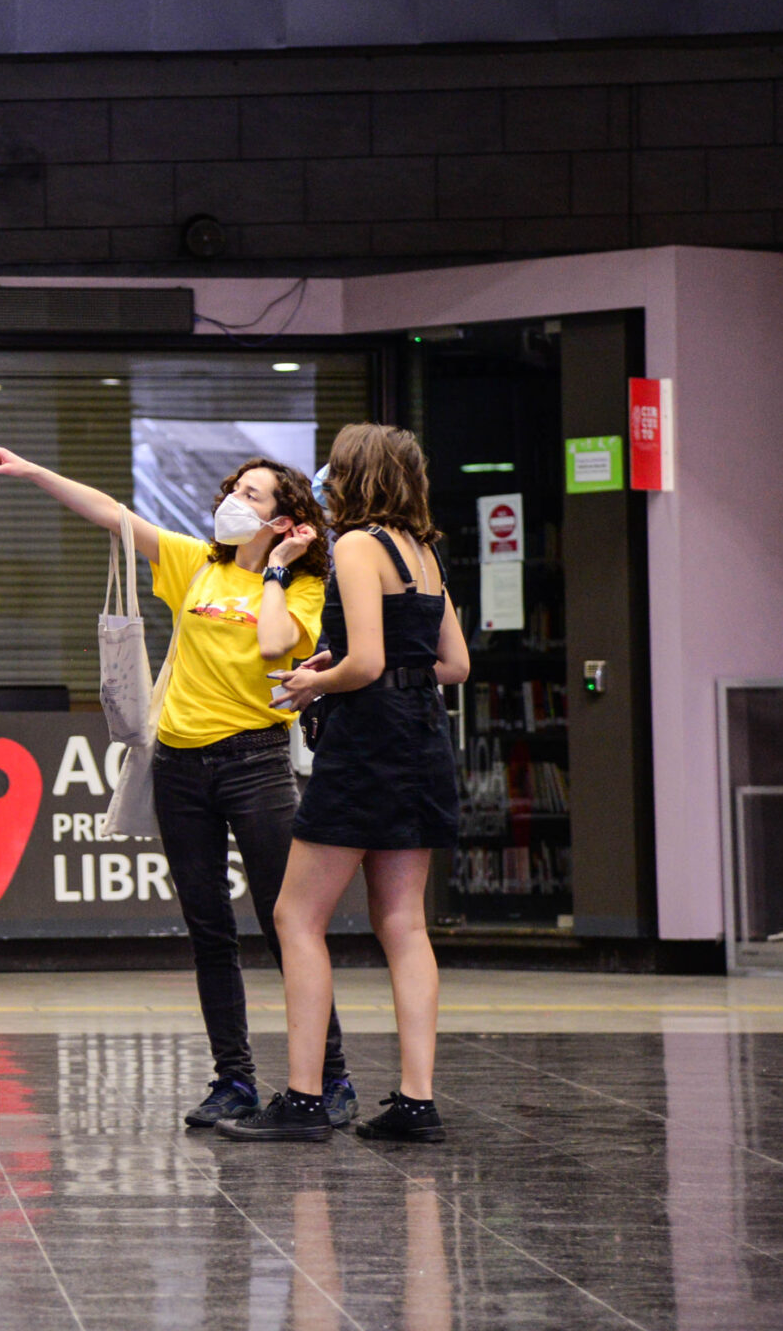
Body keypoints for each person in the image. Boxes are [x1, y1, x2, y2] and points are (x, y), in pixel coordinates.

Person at [0, 444, 356, 1129]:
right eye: (234, 489)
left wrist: (274, 570)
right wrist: (35, 472)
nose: (234, 502)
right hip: (182, 769)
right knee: (207, 929)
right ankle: (233, 1080)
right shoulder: (194, 565)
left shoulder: (302, 588)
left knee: (288, 926)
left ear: (286, 520)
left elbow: (277, 646)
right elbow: (114, 517)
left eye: (255, 495)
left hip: (256, 765)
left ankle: (330, 1078)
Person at [220, 423, 470, 1144]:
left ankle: (303, 1097)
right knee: (404, 923)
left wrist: (313, 682)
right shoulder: (423, 553)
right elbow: (453, 665)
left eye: (335, 466)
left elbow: (361, 663)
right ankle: (416, 1103)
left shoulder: (360, 547)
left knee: (298, 918)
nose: (325, 477)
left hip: (366, 744)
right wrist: (380, 666)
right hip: (421, 738)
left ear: (357, 475)